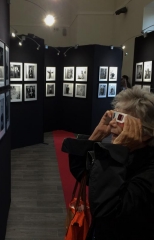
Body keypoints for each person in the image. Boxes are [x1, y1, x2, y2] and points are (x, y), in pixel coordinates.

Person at [63, 87, 154, 240]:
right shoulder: (129, 153)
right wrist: (97, 134)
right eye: (114, 116)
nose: (112, 123)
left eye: (121, 119)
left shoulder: (148, 172)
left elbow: (106, 210)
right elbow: (82, 172)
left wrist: (117, 150)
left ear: (145, 133)